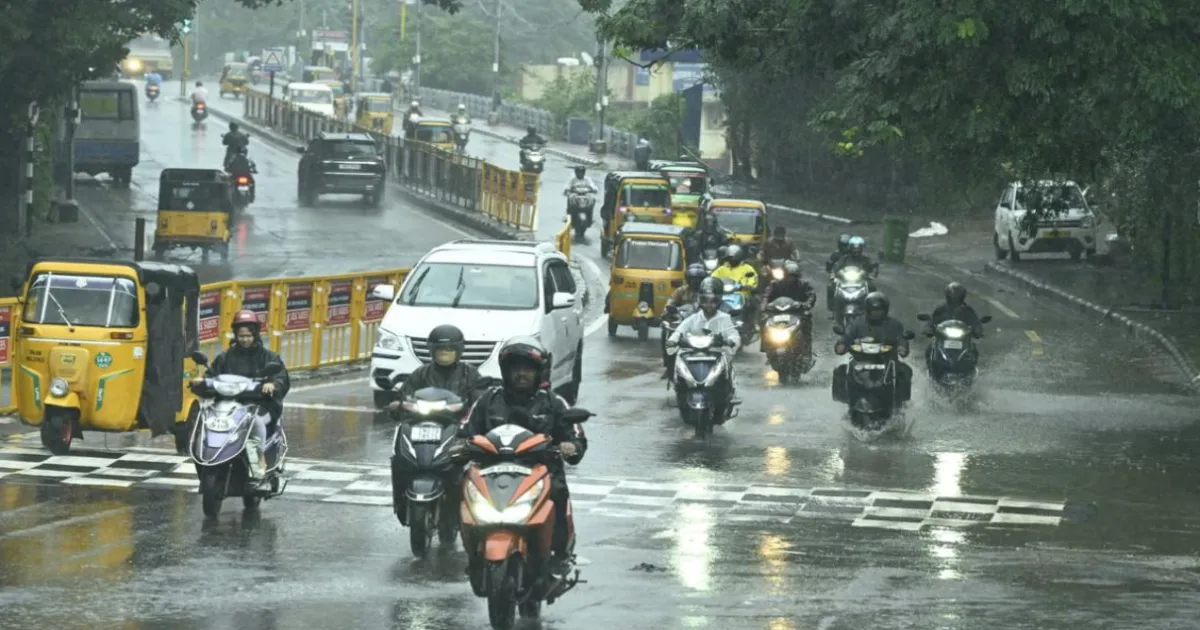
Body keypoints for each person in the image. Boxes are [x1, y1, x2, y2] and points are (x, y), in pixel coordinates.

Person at [456, 337, 587, 579]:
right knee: (460, 486)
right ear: (506, 371)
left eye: (528, 369)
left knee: (558, 492)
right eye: (515, 368)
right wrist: (459, 446)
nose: (521, 374)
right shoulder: (488, 399)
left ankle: (558, 555)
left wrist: (571, 446)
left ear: (539, 372)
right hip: (491, 471)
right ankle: (473, 552)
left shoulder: (553, 402)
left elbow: (575, 435)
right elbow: (465, 430)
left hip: (540, 471)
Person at [192, 310, 290, 481]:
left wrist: (273, 384)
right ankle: (205, 457)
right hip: (229, 404)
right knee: (204, 420)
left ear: (255, 334)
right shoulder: (225, 357)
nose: (245, 339)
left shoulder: (269, 357)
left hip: (261, 404)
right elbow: (212, 374)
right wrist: (202, 382)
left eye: (249, 336)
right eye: (241, 336)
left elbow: (281, 377)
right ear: (236, 335)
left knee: (255, 422)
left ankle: (259, 460)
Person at [666, 278, 741, 403]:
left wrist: (730, 341)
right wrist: (673, 340)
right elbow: (679, 331)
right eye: (705, 301)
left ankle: (730, 389)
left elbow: (734, 335)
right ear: (701, 301)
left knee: (728, 363)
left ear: (718, 301)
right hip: (694, 353)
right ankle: (680, 388)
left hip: (717, 352)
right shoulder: (693, 317)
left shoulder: (725, 318)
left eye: (713, 301)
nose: (709, 305)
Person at [835, 291, 912, 395]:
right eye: (873, 310)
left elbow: (901, 338)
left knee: (905, 371)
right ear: (867, 309)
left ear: (885, 309)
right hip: (860, 359)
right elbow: (847, 336)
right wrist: (841, 345)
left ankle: (899, 401)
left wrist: (902, 347)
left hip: (887, 359)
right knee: (840, 371)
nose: (876, 312)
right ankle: (846, 396)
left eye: (879, 310)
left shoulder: (894, 324)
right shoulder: (857, 323)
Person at [923, 282, 984, 368]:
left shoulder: (968, 310)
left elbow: (975, 322)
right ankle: (930, 368)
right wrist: (928, 328)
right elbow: (932, 321)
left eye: (957, 295)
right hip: (943, 338)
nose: (955, 298)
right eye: (953, 295)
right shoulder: (941, 309)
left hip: (963, 339)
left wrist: (977, 330)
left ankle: (972, 368)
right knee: (930, 348)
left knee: (973, 349)